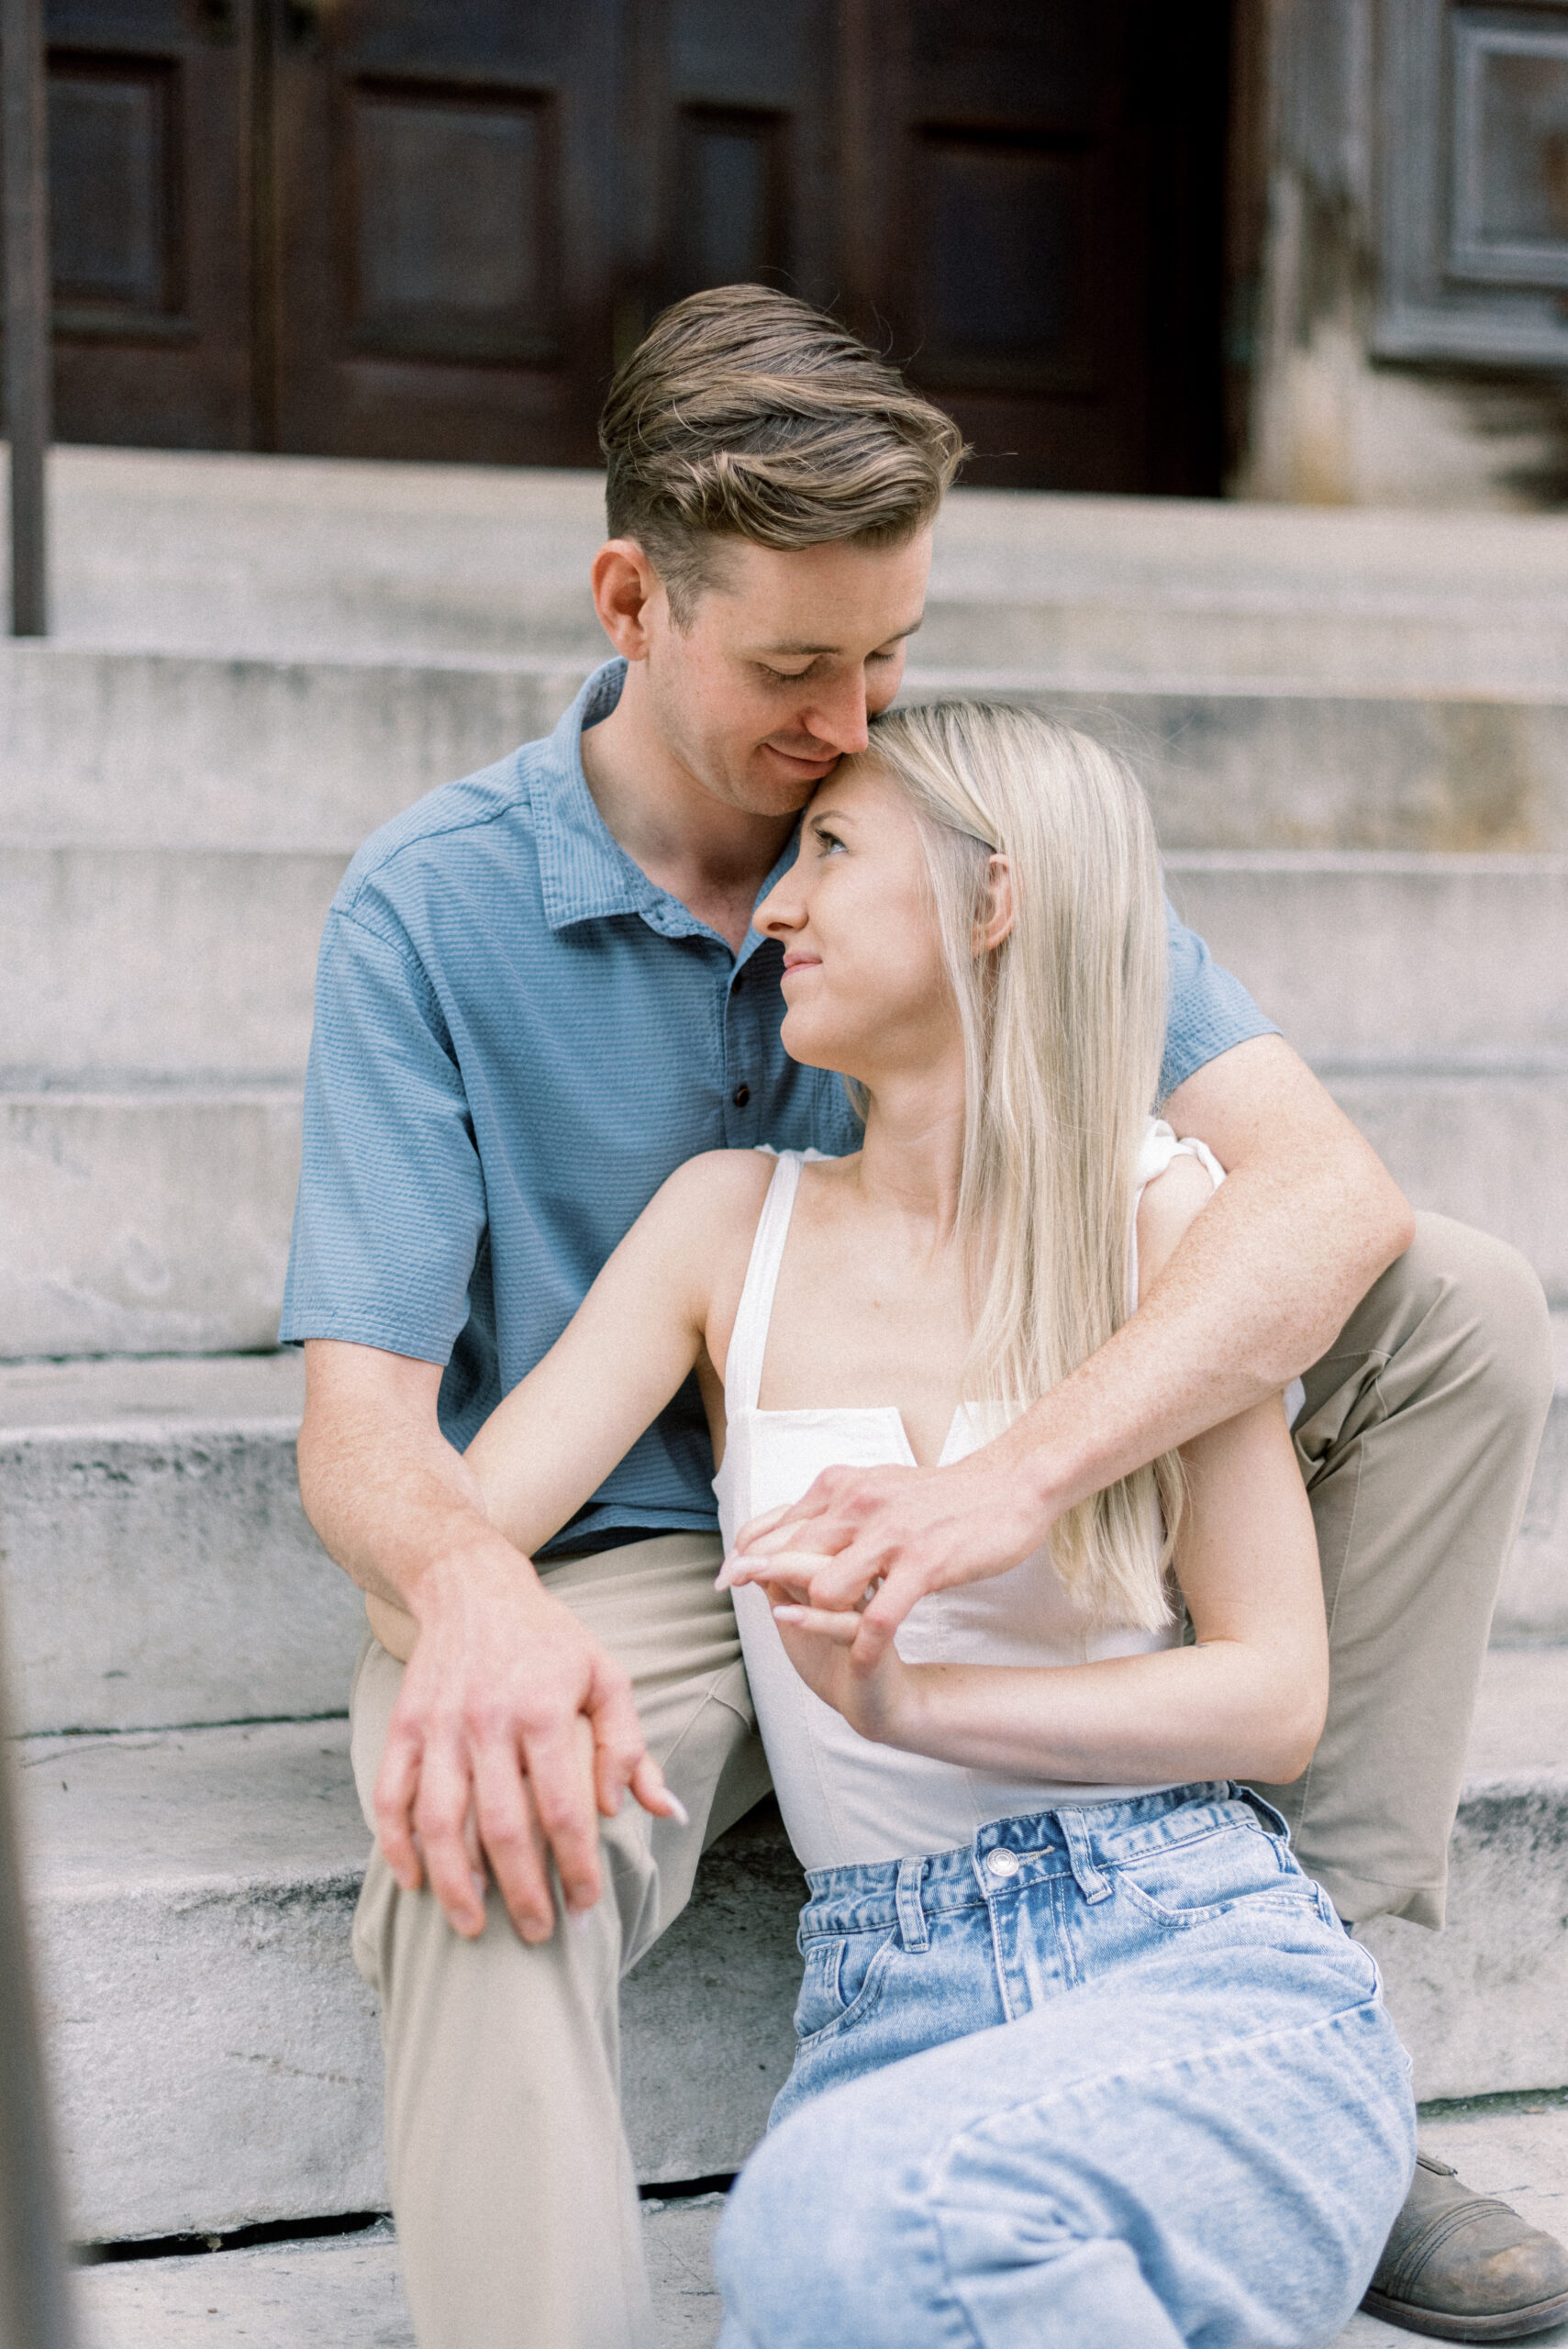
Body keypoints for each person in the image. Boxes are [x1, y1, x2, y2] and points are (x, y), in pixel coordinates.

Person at [284, 286, 1559, 2348]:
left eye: (894, 652)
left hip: (980, 1493)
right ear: (632, 596)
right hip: (637, 1546)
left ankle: (1306, 2018)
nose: (852, 716)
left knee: (1465, 1308)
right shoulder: (430, 910)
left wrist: (1010, 1475)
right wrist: (471, 1595)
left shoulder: (949, 835)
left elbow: (1323, 1195)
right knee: (480, 1829)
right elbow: (364, 1438)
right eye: (798, 665)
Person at [463, 698, 1419, 2344]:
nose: (773, 908)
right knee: (853, 2244)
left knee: (847, 2230)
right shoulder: (723, 1224)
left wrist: (920, 1706)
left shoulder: (1161, 1220)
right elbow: (466, 1527)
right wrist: (487, 1626)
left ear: (991, 904)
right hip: (885, 2009)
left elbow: (1273, 1700)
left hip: (1198, 1961)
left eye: (830, 850)